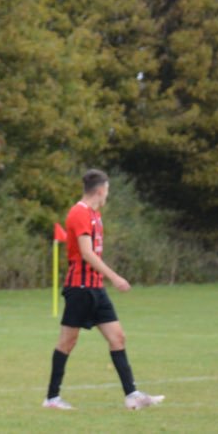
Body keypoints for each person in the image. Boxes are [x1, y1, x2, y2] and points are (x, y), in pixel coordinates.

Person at [43, 170, 163, 411]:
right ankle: (52, 398)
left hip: (95, 288)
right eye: (107, 189)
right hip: (81, 288)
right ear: (100, 190)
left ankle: (132, 395)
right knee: (67, 341)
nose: (108, 194)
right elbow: (86, 253)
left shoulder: (94, 215)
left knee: (117, 337)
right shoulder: (79, 213)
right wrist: (115, 277)